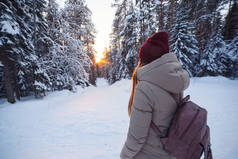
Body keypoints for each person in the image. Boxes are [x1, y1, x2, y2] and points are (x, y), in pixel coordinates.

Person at [120, 31, 190, 159]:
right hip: (172, 153)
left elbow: (137, 138)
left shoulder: (145, 89)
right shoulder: (173, 80)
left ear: (145, 61)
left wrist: (124, 156)